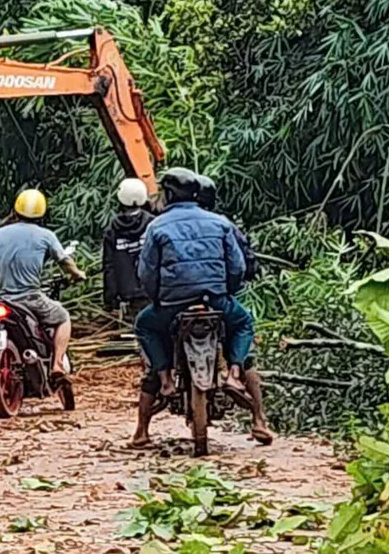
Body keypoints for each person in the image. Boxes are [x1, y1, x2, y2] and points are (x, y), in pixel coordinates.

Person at [130, 168, 274, 448]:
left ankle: (161, 385)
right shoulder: (220, 223)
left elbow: (146, 273)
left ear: (169, 194)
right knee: (243, 323)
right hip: (215, 302)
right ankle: (248, 400)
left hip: (173, 305)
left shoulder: (157, 226)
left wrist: (157, 298)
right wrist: (226, 293)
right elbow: (238, 266)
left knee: (144, 326)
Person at [0, 188, 86, 385]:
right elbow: (65, 261)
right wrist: (77, 274)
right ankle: (57, 364)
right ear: (42, 213)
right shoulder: (46, 235)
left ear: (15, 210)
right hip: (30, 299)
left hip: (2, 300)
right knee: (63, 317)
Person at [102, 178, 154, 320]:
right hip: (152, 292)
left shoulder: (112, 230)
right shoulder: (153, 225)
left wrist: (110, 299)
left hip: (128, 295)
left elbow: (109, 267)